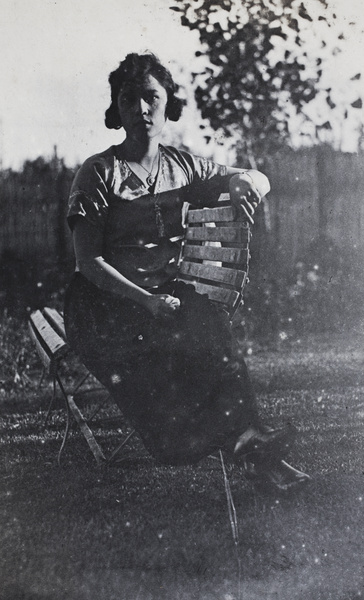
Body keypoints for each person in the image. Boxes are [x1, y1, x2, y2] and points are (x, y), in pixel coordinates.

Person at [64, 52, 309, 491]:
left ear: (167, 103)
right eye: (129, 99)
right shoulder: (99, 173)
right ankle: (245, 446)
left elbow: (259, 176)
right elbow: (88, 263)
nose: (141, 109)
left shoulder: (185, 167)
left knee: (213, 328)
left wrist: (242, 182)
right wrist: (146, 300)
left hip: (163, 297)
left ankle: (251, 441)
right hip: (102, 305)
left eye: (151, 98)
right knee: (171, 379)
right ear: (116, 110)